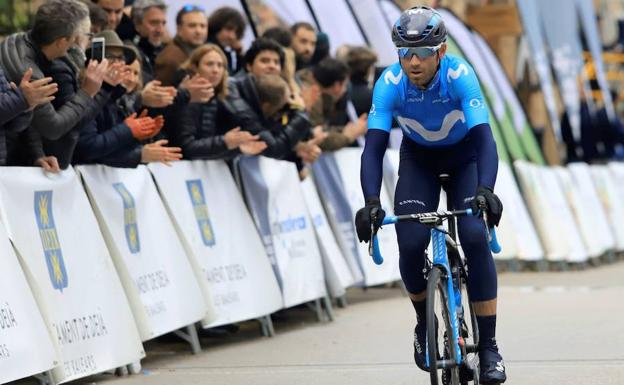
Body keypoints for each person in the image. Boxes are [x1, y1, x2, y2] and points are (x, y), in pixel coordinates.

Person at [354, 7, 506, 384]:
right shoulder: (389, 83)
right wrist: (371, 201)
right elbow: (373, 149)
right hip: (418, 160)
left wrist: (485, 190)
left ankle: (489, 347)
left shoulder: (460, 76)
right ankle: (425, 323)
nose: (413, 61)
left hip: (465, 158)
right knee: (409, 241)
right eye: (405, 53)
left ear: (441, 51)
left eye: (422, 52)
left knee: (472, 235)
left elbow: (486, 141)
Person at [169, 44, 266, 160]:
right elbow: (186, 147)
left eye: (220, 66)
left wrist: (236, 149)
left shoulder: (216, 98)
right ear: (195, 67)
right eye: (209, 64)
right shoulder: (187, 99)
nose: (215, 70)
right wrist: (225, 142)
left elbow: (207, 149)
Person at [154, 4, 207, 86]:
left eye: (203, 26)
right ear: (179, 29)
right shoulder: (170, 60)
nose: (198, 31)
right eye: (192, 26)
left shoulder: (200, 53)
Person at [207, 7, 246, 75]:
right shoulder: (206, 49)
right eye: (229, 29)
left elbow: (235, 80)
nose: (232, 36)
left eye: (236, 32)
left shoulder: (226, 53)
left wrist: (239, 55)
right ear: (217, 26)